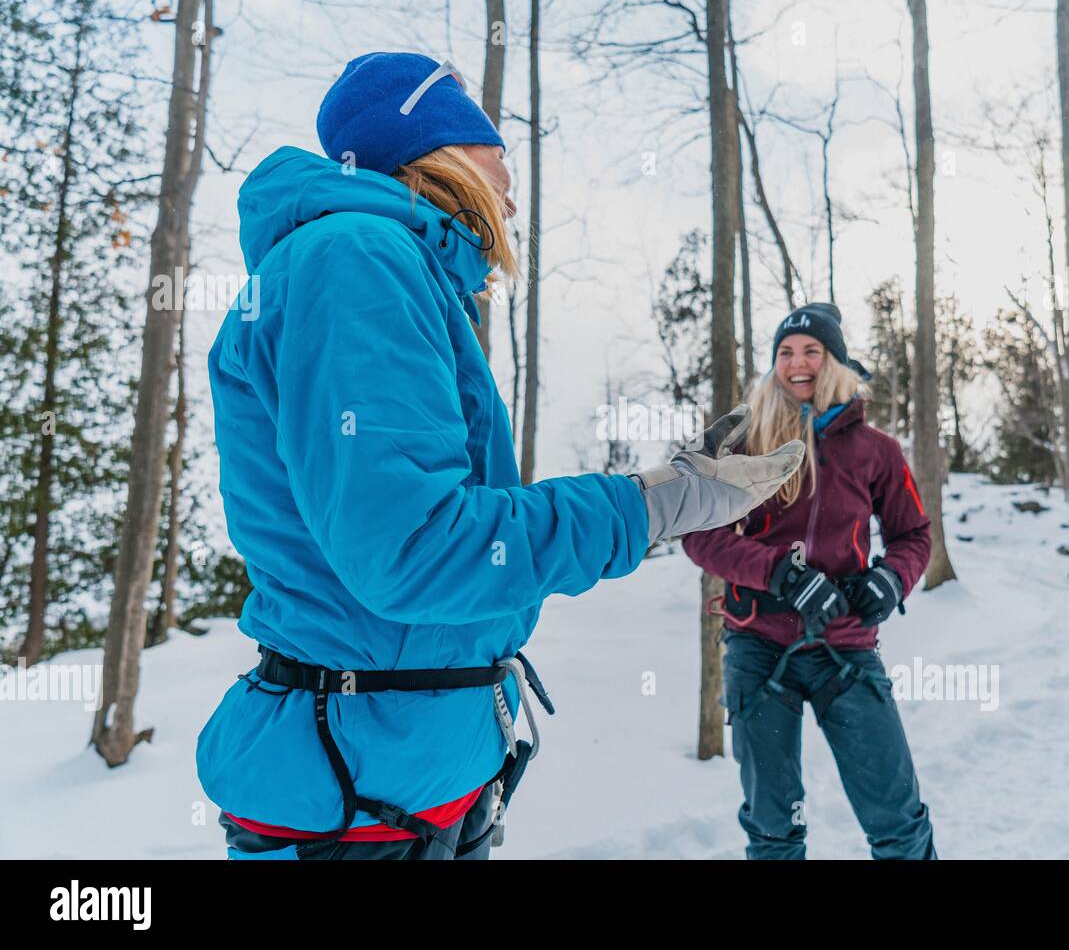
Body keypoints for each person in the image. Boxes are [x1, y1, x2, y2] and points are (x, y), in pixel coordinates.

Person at [198, 52, 804, 860]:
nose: (510, 192)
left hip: (411, 780)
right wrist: (656, 502)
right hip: (354, 811)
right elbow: (415, 549)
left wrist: (672, 482)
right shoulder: (356, 259)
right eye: (496, 159)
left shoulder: (386, 266)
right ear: (436, 150)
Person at [681, 302, 939, 860]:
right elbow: (699, 535)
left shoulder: (877, 451)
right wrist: (780, 573)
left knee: (897, 818)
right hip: (758, 648)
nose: (798, 364)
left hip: (845, 650)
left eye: (812, 352)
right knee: (774, 828)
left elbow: (914, 535)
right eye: (785, 353)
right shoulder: (746, 443)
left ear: (836, 361)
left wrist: (890, 582)